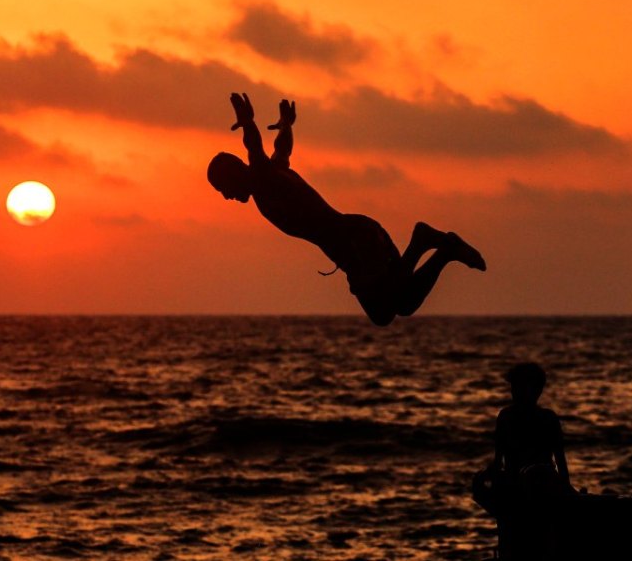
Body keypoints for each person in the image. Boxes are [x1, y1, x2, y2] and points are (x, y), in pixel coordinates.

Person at [207, 93, 485, 326]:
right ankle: (442, 250)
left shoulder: (263, 179)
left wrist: (248, 123)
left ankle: (423, 242)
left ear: (234, 174)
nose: (226, 196)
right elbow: (283, 150)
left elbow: (255, 148)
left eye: (223, 188)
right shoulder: (273, 175)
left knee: (385, 311)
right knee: (400, 305)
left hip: (356, 241)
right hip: (355, 240)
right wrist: (286, 126)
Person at [489, 362, 572, 560]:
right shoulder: (506, 417)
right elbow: (498, 460)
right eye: (513, 387)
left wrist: (566, 493)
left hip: (542, 493)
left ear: (537, 390)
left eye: (520, 387)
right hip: (515, 493)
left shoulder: (546, 419)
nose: (515, 392)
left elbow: (561, 462)